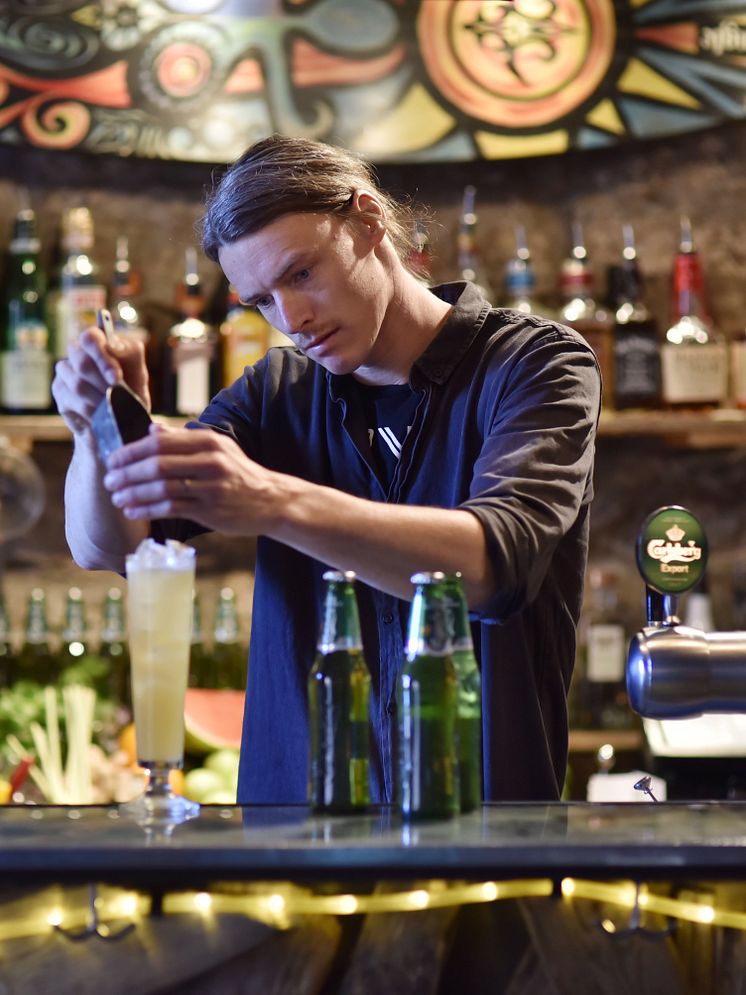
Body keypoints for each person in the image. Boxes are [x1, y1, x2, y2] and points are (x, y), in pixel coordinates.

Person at [53, 135, 601, 805]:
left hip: (482, 837)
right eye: (261, 301)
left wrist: (273, 502)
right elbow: (108, 544)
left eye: (301, 273)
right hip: (292, 840)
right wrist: (95, 431)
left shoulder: (534, 364)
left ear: (368, 222)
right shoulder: (273, 392)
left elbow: (491, 568)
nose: (293, 319)